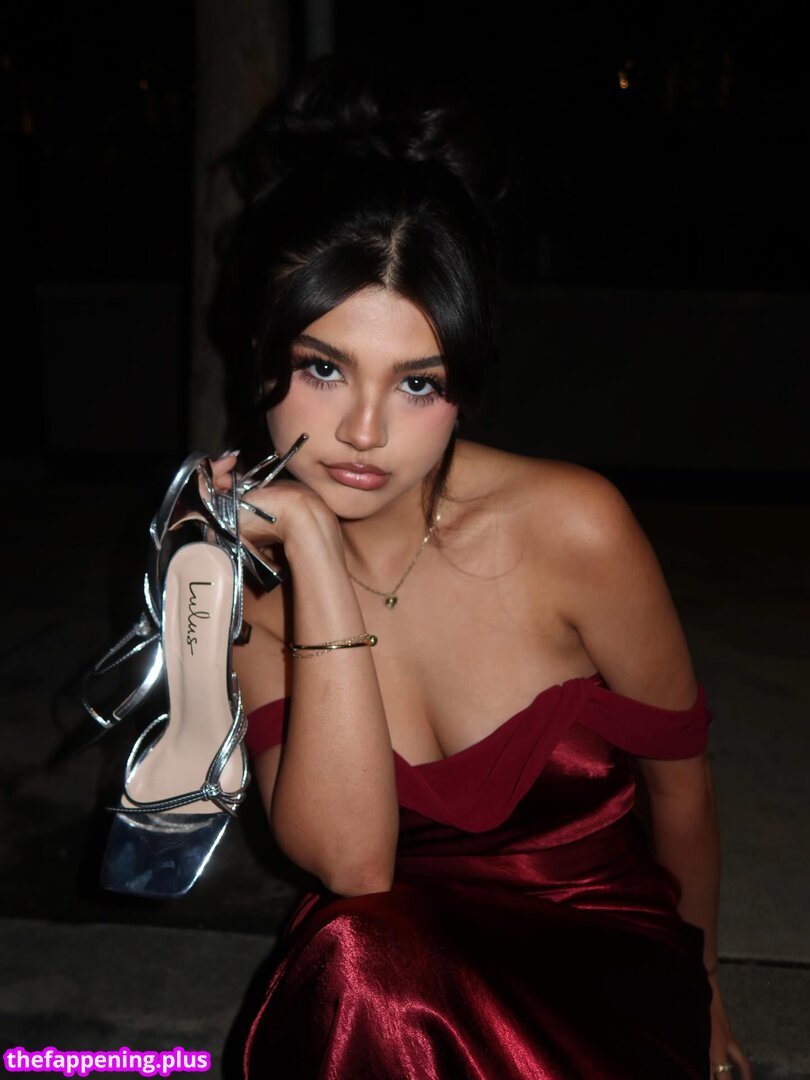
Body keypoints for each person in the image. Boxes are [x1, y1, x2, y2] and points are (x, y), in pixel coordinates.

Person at [202, 55, 752, 1079]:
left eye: (418, 383)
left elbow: (682, 787)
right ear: (260, 357)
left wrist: (708, 984)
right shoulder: (245, 585)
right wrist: (315, 556)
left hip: (601, 957)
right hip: (397, 972)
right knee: (357, 960)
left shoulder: (573, 526)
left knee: (366, 969)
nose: (364, 431)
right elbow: (352, 865)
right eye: (324, 368)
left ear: (465, 384)